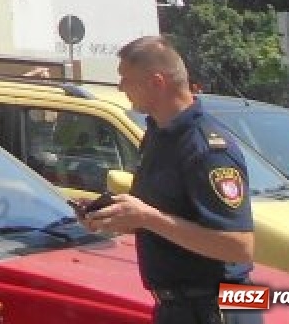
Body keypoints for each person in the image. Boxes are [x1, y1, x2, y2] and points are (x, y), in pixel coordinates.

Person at [85, 36, 257, 323]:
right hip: (178, 307)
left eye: (126, 79)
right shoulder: (158, 136)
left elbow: (239, 247)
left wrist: (147, 217)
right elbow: (166, 216)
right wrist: (116, 217)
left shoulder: (206, 147)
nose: (121, 88)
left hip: (220, 307)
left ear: (156, 82)